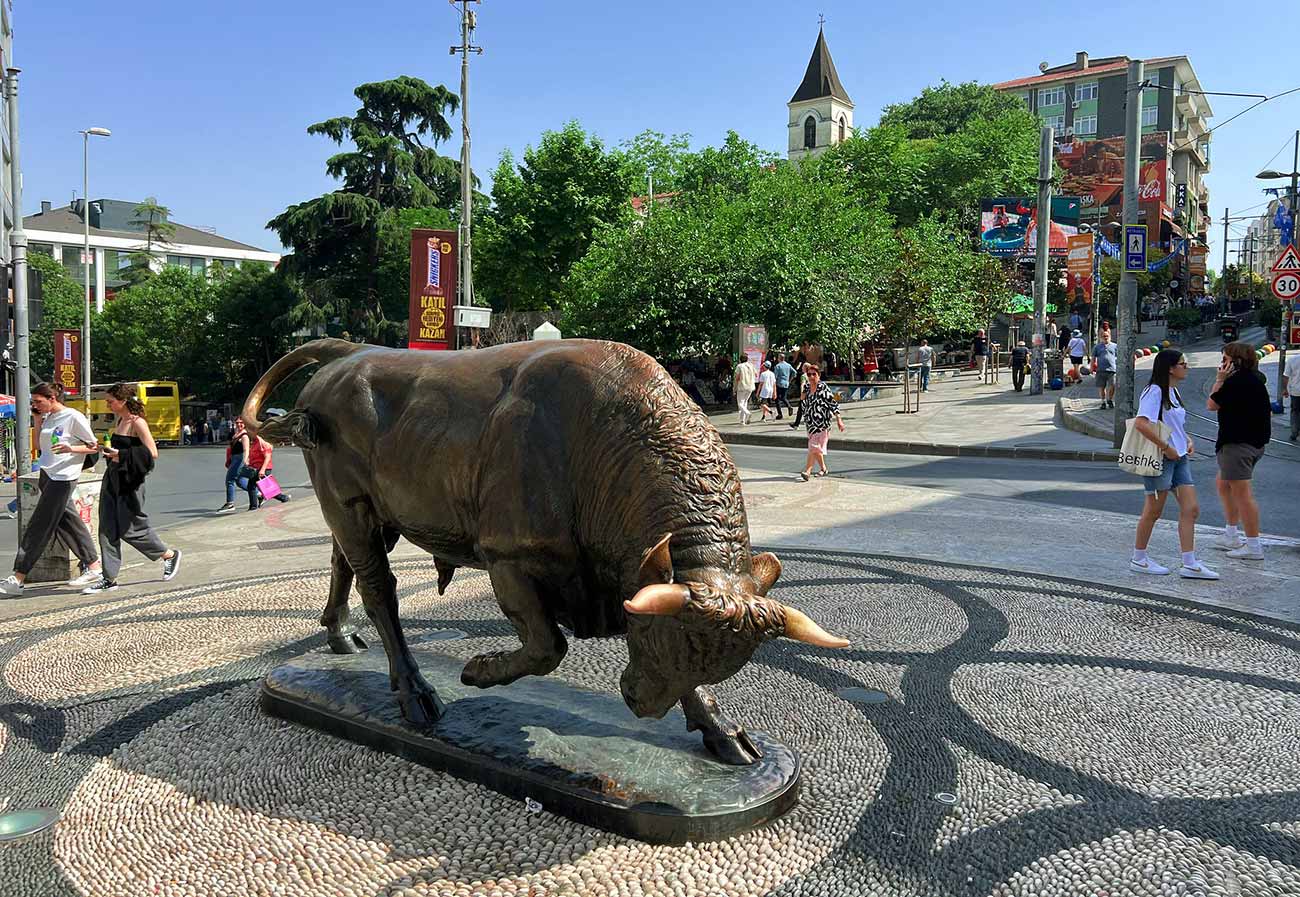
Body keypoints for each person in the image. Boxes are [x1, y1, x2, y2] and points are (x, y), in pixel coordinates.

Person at [0, 383, 105, 597]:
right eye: (33, 401)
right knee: (68, 524)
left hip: (64, 478)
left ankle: (18, 578)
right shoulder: (48, 417)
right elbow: (40, 445)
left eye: (39, 401)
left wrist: (71, 448)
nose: (35, 405)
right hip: (48, 474)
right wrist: (38, 420)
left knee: (39, 526)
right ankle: (94, 567)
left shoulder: (73, 417)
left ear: (53, 398)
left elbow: (94, 446)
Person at [81, 384, 182, 593]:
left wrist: (121, 455)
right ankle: (109, 578)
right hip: (113, 478)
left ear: (123, 401)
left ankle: (169, 555)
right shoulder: (120, 421)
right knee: (107, 528)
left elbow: (152, 453)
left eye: (111, 401)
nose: (107, 404)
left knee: (130, 529)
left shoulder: (138, 423)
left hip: (130, 482)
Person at [1131, 349, 1217, 580]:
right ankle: (1139, 559)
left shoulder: (1173, 392)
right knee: (1153, 511)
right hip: (1161, 459)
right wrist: (1166, 447)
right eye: (1183, 364)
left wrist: (1185, 439)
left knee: (1191, 509)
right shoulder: (1154, 391)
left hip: (1179, 458)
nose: (1186, 367)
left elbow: (1172, 423)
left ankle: (1189, 563)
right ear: (1170, 368)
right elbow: (1141, 424)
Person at [1207, 342, 1271, 561]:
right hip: (1254, 443)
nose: (1221, 365)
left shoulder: (1235, 382)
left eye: (1225, 360)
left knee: (1242, 495)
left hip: (1237, 444)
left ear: (1236, 361)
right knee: (1223, 484)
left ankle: (1253, 546)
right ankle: (1231, 534)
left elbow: (1212, 404)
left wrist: (1219, 380)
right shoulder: (1255, 378)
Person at [797, 365, 845, 481]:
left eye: (814, 374)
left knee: (813, 446)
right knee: (816, 449)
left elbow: (833, 404)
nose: (811, 377)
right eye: (809, 374)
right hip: (810, 424)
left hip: (822, 424)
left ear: (819, 375)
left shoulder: (823, 388)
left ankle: (807, 471)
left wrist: (839, 419)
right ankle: (823, 469)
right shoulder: (807, 387)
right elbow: (803, 402)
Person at [244, 431, 292, 510]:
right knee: (257, 486)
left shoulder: (261, 442)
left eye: (250, 431)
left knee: (265, 487)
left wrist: (262, 470)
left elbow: (268, 456)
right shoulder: (254, 442)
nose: (249, 433)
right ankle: (283, 498)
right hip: (256, 468)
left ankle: (253, 506)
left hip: (264, 468)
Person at [217, 418, 251, 512]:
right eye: (237, 422)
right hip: (234, 459)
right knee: (240, 481)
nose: (239, 424)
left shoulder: (244, 436)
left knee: (229, 480)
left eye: (241, 423)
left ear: (245, 424)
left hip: (239, 459)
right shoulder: (236, 434)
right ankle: (258, 494)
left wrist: (244, 461)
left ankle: (230, 503)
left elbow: (246, 450)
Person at [1093, 329, 1118, 408]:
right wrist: (1091, 367)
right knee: (1102, 387)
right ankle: (1103, 402)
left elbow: (1119, 356)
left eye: (1107, 336)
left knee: (1113, 385)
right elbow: (1093, 358)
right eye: (1104, 336)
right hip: (1101, 370)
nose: (1105, 337)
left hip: (1112, 369)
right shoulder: (1097, 347)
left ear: (1110, 336)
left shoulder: (1114, 346)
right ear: (1101, 337)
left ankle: (1109, 400)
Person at [733, 355, 757, 426]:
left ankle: (747, 413)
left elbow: (737, 378)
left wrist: (734, 388)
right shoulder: (751, 365)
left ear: (740, 360)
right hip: (750, 386)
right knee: (745, 403)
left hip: (742, 386)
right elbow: (756, 374)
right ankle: (742, 421)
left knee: (740, 403)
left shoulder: (739, 366)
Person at [1284, 347, 1300, 443]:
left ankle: (1294, 433)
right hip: (1295, 391)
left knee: (1295, 412)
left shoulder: (1292, 360)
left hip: (1296, 391)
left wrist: (1284, 389)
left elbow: (1286, 376)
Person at [773, 354, 795, 418]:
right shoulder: (788, 365)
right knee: (783, 397)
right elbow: (794, 372)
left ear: (779, 358)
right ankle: (789, 406)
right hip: (786, 383)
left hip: (779, 384)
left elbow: (775, 377)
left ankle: (780, 414)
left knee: (777, 399)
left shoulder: (778, 366)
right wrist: (790, 380)